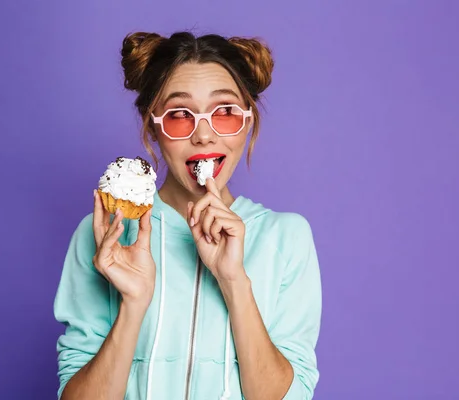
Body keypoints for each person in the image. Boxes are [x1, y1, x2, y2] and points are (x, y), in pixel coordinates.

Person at [53, 31, 322, 400]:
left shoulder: (287, 237)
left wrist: (233, 281)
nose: (205, 135)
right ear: (153, 128)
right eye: (180, 115)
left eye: (225, 112)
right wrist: (133, 304)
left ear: (248, 122)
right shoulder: (105, 234)